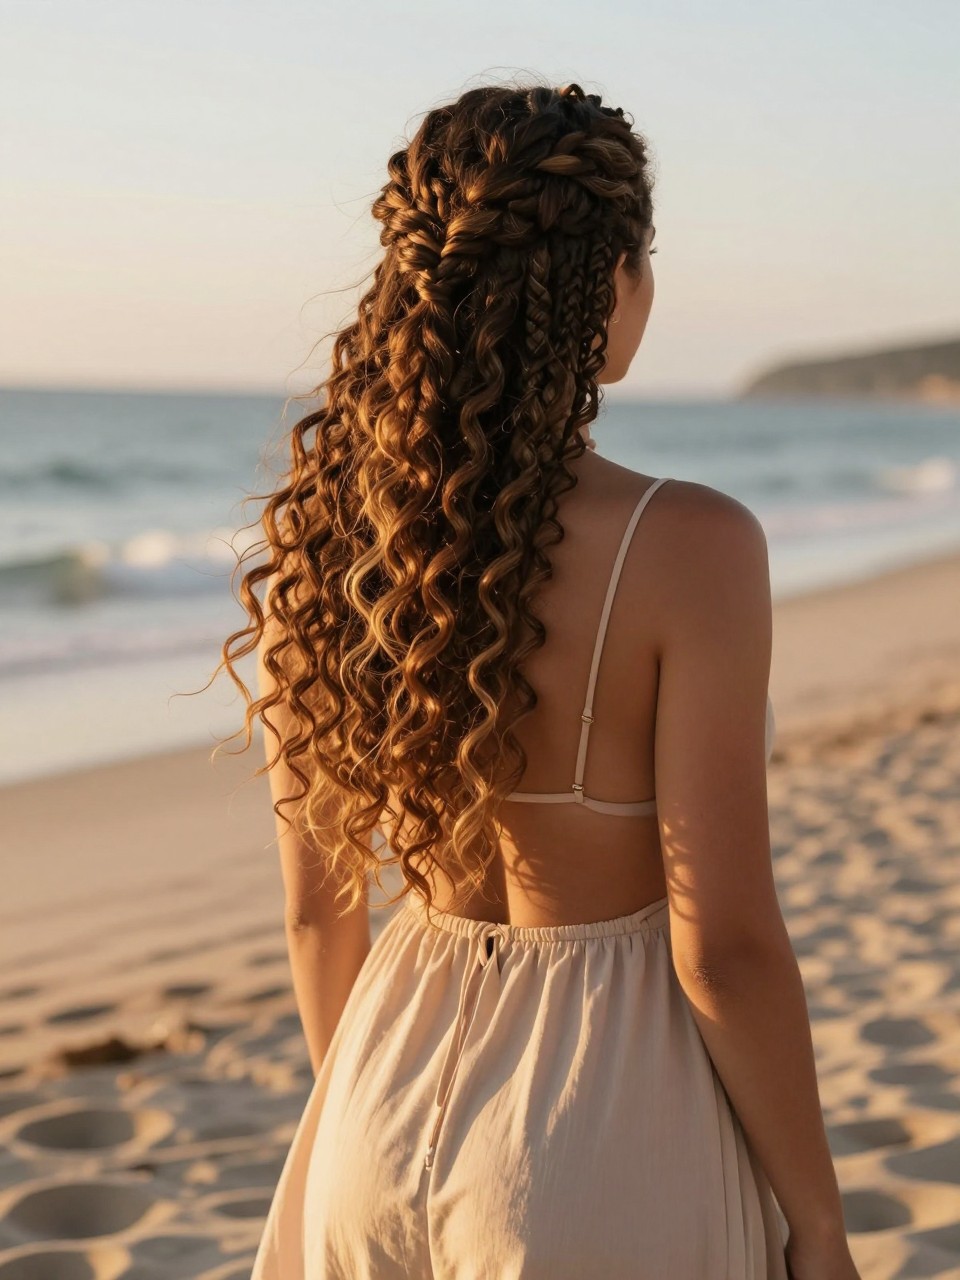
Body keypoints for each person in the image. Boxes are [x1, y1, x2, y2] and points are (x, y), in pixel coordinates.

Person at [215, 79, 860, 1279]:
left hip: (374, 1100)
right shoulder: (693, 545)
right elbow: (722, 942)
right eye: (644, 261)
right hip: (600, 1131)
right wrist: (816, 1218)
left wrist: (369, 1109)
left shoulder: (333, 544)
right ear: (607, 285)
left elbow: (318, 913)